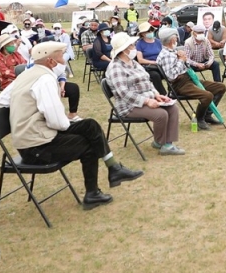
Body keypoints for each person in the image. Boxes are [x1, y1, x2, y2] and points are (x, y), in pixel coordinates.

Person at [8, 41, 143, 207]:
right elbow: (57, 121)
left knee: (90, 125)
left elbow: (2, 100)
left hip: (36, 136)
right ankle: (92, 193)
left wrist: (26, 112)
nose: (64, 60)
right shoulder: (45, 80)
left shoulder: (26, 74)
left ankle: (114, 169)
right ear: (50, 61)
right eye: (61, 56)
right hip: (36, 146)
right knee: (88, 144)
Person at [105, 32, 185, 154]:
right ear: (124, 50)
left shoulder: (134, 63)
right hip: (129, 106)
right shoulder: (115, 67)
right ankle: (161, 143)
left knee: (172, 108)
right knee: (161, 114)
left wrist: (156, 95)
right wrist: (147, 101)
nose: (134, 47)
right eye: (131, 45)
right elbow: (124, 94)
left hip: (145, 99)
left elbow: (147, 81)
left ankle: (167, 143)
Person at [156, 27, 226, 131]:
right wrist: (181, 60)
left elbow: (187, 66)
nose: (177, 39)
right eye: (175, 37)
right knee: (207, 95)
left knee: (220, 87)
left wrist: (183, 58)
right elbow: (172, 76)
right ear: (171, 40)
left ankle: (207, 114)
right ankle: (199, 118)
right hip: (179, 84)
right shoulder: (166, 55)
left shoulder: (173, 51)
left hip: (189, 79)